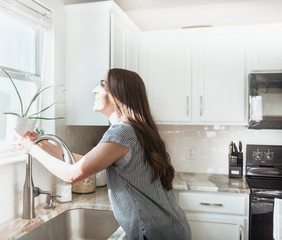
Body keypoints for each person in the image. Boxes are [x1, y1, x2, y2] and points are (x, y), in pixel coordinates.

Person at [15, 68, 191, 240]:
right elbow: (86, 163)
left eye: (102, 84)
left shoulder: (121, 133)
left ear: (118, 94)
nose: (94, 90)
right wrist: (44, 145)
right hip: (170, 227)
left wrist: (31, 149)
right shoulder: (133, 129)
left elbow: (72, 175)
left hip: (155, 232)